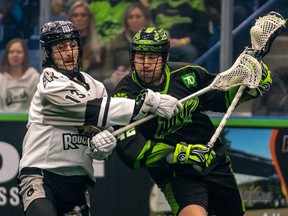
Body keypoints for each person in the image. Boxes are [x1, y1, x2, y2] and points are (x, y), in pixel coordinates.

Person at [97, 27, 272, 215]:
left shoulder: (188, 74)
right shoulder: (125, 94)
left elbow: (221, 99)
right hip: (174, 172)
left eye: (152, 56)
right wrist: (176, 154)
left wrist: (250, 88)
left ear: (164, 57)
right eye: (140, 57)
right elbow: (131, 150)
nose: (145, 63)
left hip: (211, 159)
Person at [17, 21, 182, 216]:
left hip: (78, 180)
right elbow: (90, 110)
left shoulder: (96, 86)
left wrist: (103, 147)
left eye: (72, 46)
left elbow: (102, 136)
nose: (69, 52)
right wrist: (142, 105)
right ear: (49, 53)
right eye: (61, 48)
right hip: (42, 175)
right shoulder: (49, 82)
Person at [103, 2, 152, 94]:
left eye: (138, 17)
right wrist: (113, 74)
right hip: (118, 80)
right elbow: (106, 69)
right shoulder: (116, 40)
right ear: (126, 21)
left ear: (146, 20)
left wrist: (129, 74)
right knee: (107, 83)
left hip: (145, 79)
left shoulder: (154, 40)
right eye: (130, 17)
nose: (134, 20)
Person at [69, 0, 107, 81]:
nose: (79, 19)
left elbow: (104, 72)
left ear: (89, 19)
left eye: (83, 15)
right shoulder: (61, 46)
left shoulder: (99, 47)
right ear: (71, 19)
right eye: (75, 15)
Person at [0, 38, 40, 112]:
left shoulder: (34, 77)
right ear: (7, 55)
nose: (15, 55)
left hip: (28, 121)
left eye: (19, 52)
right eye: (11, 52)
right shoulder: (1, 78)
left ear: (25, 55)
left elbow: (35, 105)